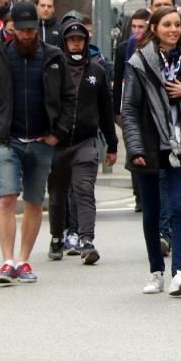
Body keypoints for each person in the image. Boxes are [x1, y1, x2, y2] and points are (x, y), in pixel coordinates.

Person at [0, 1, 76, 285]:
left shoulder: (54, 57)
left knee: (35, 201)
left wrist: (58, 133)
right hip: (5, 140)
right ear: (11, 28)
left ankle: (24, 260)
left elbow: (68, 97)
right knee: (6, 198)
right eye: (21, 31)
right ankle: (7, 261)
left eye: (31, 30)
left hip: (41, 140)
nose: (27, 36)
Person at [121, 7, 181, 296]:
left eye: (177, 25)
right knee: (151, 212)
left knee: (179, 207)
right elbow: (130, 109)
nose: (173, 29)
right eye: (167, 25)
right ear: (155, 28)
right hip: (148, 145)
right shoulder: (138, 61)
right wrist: (135, 147)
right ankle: (156, 271)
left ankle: (179, 272)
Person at [46, 18, 119, 265]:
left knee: (84, 190)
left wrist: (112, 144)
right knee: (57, 194)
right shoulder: (54, 69)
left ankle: (87, 240)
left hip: (86, 142)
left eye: (80, 40)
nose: (76, 44)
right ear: (64, 43)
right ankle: (57, 237)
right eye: (71, 40)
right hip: (57, 143)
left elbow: (106, 110)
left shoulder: (96, 71)